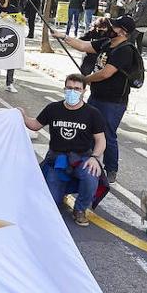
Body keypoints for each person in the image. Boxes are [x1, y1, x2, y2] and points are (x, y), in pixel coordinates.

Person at [57, 15, 138, 186]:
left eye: (114, 26)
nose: (110, 28)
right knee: (88, 130)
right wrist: (63, 37)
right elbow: (84, 45)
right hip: (96, 96)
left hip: (113, 102)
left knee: (106, 134)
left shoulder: (125, 50)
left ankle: (111, 169)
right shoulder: (106, 43)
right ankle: (86, 163)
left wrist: (85, 80)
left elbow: (106, 73)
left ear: (122, 32)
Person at [21, 74, 106, 227]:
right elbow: (35, 125)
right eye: (69, 88)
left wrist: (95, 157)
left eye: (77, 89)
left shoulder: (93, 113)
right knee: (51, 202)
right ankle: (62, 193)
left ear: (84, 91)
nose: (72, 92)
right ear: (64, 88)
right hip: (57, 159)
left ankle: (80, 209)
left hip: (82, 158)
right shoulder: (53, 108)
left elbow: (101, 140)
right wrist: (22, 115)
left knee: (91, 176)